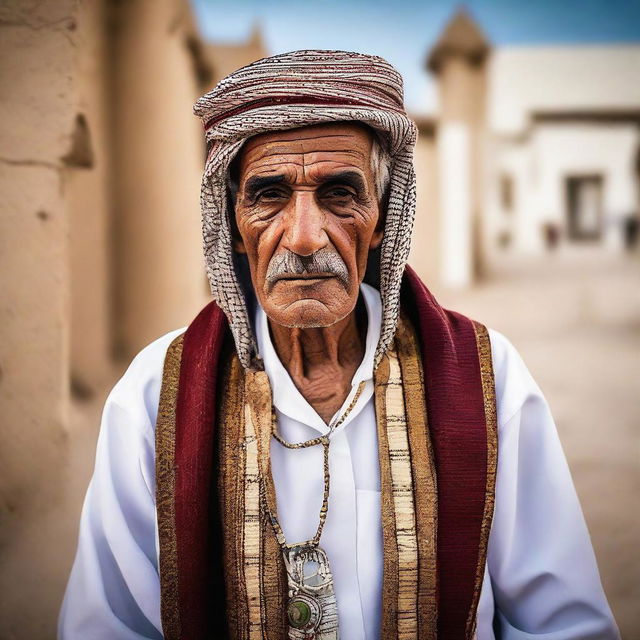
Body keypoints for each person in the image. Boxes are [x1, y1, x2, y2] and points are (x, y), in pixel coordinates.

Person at [59, 50, 620, 640]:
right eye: (269, 195)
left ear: (380, 217)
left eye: (339, 194)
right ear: (235, 224)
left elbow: (563, 625)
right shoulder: (155, 396)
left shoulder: (488, 379)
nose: (304, 238)